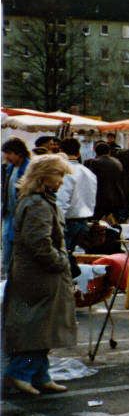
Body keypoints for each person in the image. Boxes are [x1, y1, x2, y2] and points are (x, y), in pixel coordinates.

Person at [2, 154, 76, 395]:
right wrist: (60, 262)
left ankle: (40, 375)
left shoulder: (36, 201)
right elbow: (40, 243)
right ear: (44, 177)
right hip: (40, 276)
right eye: (59, 176)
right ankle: (19, 373)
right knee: (39, 327)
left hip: (37, 273)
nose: (61, 182)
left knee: (44, 327)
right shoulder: (37, 204)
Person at [56, 138, 97, 253]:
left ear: (60, 152)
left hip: (68, 222)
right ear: (78, 153)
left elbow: (61, 200)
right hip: (83, 222)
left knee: (62, 258)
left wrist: (57, 224)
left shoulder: (65, 172)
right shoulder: (89, 173)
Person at [3, 138, 32, 276]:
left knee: (17, 253)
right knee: (7, 252)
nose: (6, 157)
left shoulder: (28, 169)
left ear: (19, 154)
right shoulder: (10, 168)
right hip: (10, 215)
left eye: (9, 153)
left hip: (21, 217)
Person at [85, 141, 126, 220]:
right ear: (109, 151)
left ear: (95, 152)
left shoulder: (94, 163)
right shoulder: (118, 163)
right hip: (116, 199)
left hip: (99, 199)